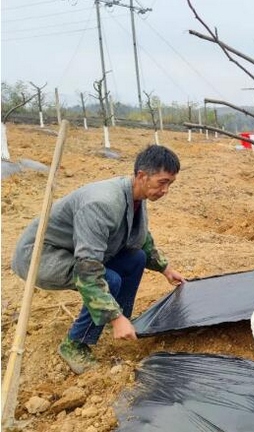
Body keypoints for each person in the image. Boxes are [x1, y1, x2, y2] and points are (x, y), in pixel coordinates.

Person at [11, 144, 187, 374]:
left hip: (73, 251)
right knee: (109, 279)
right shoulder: (101, 204)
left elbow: (141, 238)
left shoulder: (136, 195)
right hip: (41, 256)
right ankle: (75, 345)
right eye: (162, 182)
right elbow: (88, 270)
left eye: (170, 184)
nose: (165, 190)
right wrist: (114, 317)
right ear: (142, 176)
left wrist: (165, 268)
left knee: (136, 258)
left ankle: (116, 319)